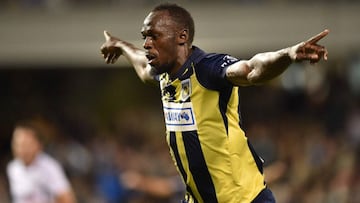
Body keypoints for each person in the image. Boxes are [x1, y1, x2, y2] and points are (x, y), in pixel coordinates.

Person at [100, 3, 329, 203]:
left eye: (154, 36)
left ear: (182, 37)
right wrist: (119, 45)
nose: (147, 44)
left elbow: (252, 69)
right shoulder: (164, 74)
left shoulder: (208, 69)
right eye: (144, 38)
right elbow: (141, 66)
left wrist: (288, 54)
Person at [6, 121, 77, 203]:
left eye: (26, 144)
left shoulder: (50, 167)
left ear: (38, 145)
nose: (21, 149)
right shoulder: (13, 168)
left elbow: (67, 198)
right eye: (17, 144)